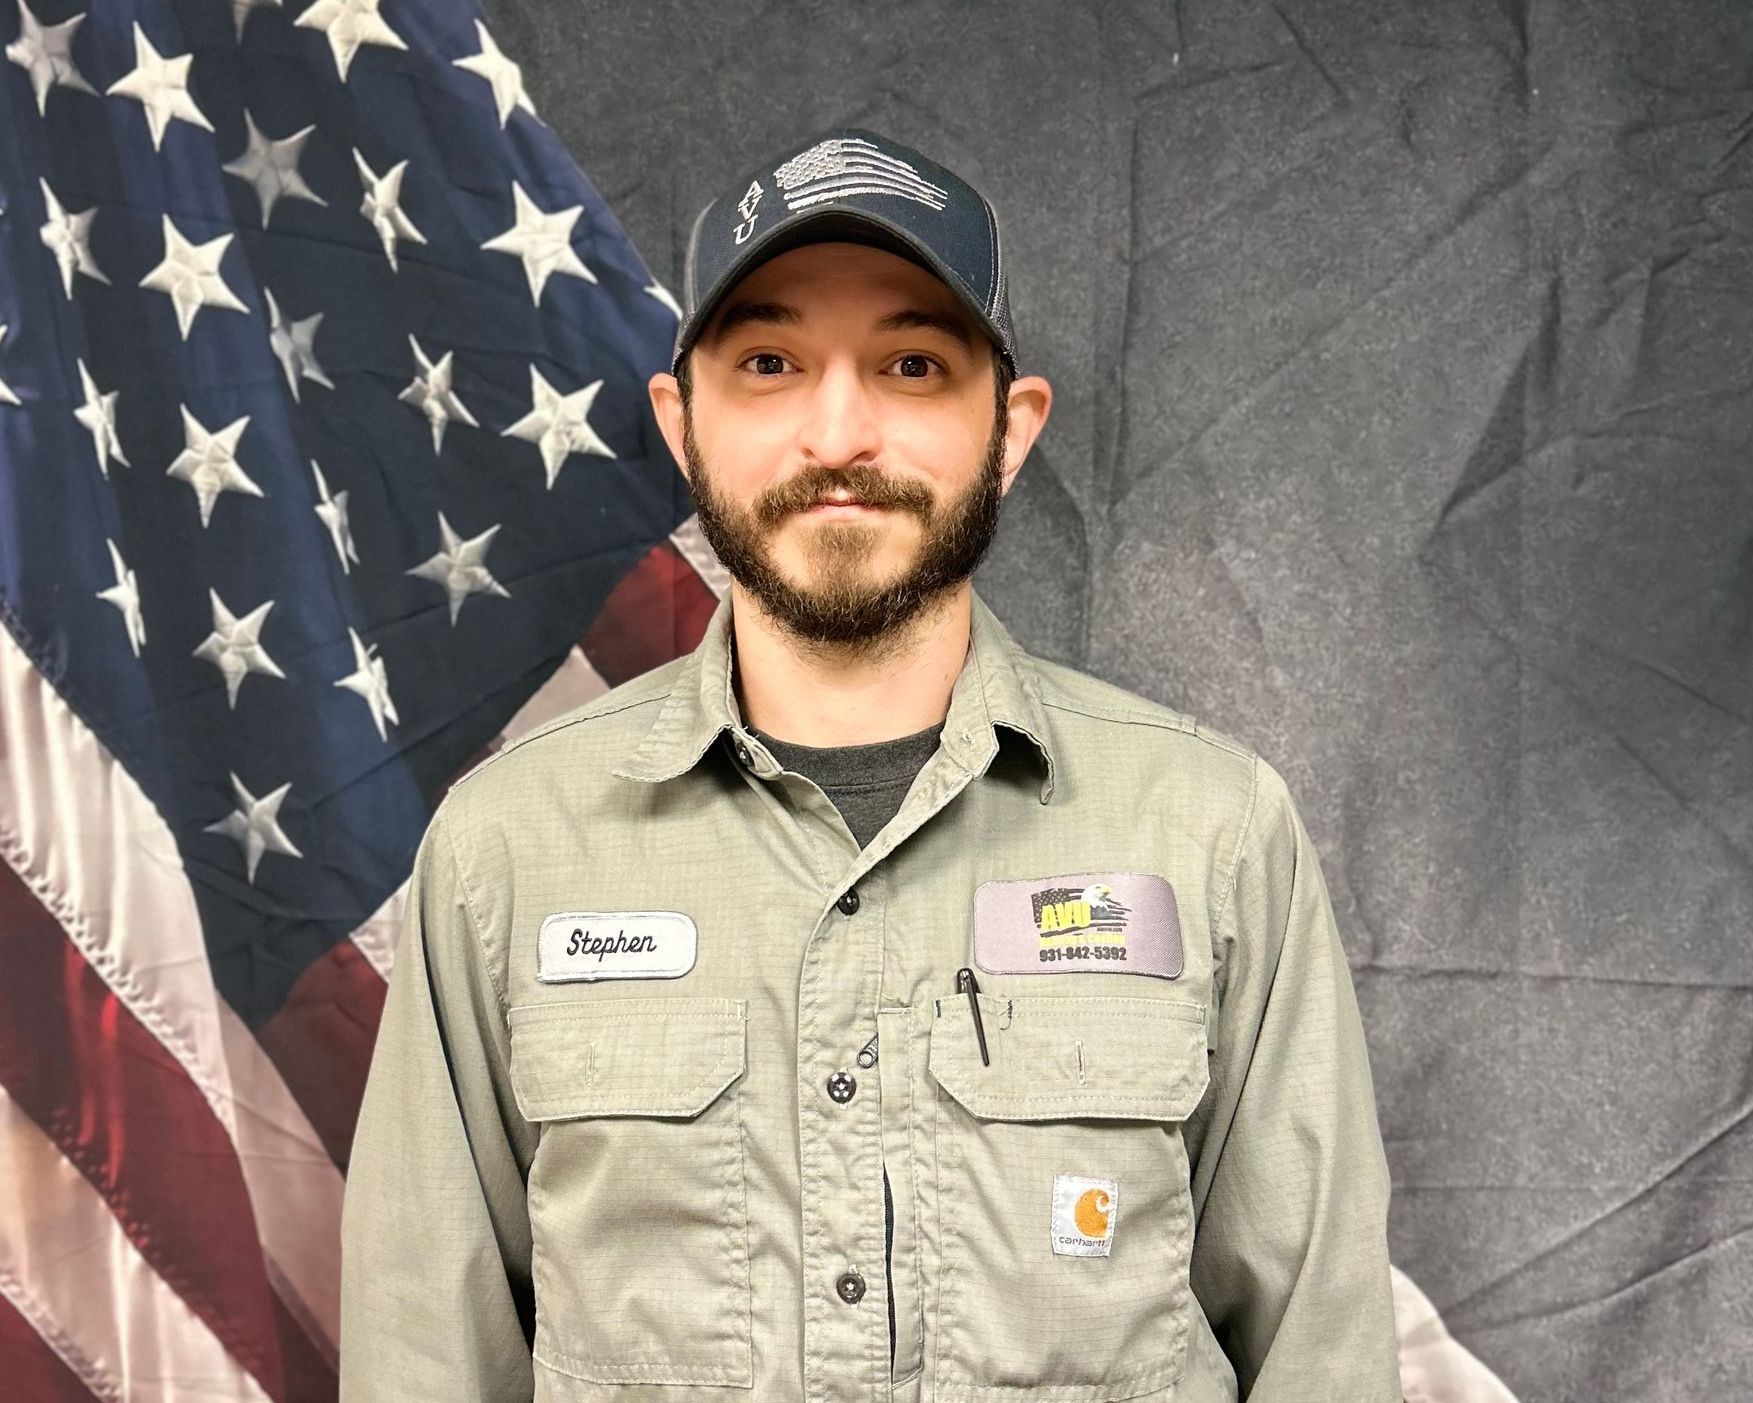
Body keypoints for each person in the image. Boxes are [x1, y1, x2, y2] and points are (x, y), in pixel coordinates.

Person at [340, 125, 1402, 1402]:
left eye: (910, 362)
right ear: (683, 425)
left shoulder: (1213, 830)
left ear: (1008, 429)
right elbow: (425, 1363)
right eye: (771, 361)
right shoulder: (505, 848)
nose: (837, 431)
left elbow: (1321, 1355)